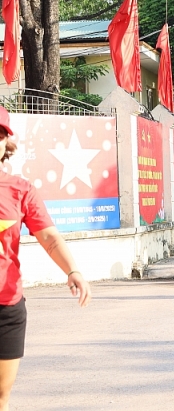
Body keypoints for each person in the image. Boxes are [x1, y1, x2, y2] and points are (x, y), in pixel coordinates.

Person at [0, 107, 91, 409]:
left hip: (7, 306)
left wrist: (72, 269)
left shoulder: (20, 190)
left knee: (1, 394)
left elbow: (49, 237)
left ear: (6, 144)